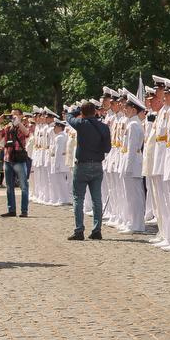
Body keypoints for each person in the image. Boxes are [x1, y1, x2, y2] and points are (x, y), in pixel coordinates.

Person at [70, 100, 109, 241]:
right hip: (97, 164)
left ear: (83, 113)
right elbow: (107, 148)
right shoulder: (103, 127)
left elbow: (69, 117)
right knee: (97, 199)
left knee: (78, 198)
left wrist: (76, 111)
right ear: (95, 112)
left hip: (82, 165)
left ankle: (79, 230)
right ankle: (97, 230)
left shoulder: (81, 124)